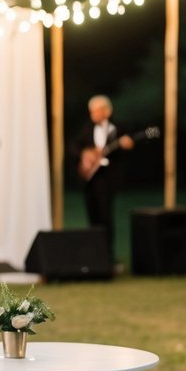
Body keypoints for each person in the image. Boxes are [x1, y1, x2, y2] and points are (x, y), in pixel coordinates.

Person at [74, 94, 134, 268]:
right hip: (91, 179)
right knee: (93, 215)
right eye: (91, 111)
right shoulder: (86, 128)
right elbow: (74, 146)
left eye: (96, 111)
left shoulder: (118, 128)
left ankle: (108, 256)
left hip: (107, 177)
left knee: (106, 216)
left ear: (107, 111)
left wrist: (127, 145)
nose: (93, 114)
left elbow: (127, 146)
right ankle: (95, 256)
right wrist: (86, 154)